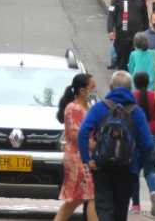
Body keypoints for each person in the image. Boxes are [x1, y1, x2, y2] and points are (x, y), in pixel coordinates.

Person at [78, 71, 154, 221]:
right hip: (127, 169)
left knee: (104, 208)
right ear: (130, 88)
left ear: (111, 87)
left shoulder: (100, 108)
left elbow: (82, 132)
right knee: (120, 210)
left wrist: (87, 160)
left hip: (101, 167)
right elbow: (148, 144)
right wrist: (137, 165)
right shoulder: (136, 112)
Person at [55, 74, 99, 221]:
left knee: (76, 200)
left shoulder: (87, 107)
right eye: (92, 87)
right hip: (77, 159)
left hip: (84, 158)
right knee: (90, 196)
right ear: (82, 90)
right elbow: (76, 135)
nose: (94, 90)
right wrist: (94, 144)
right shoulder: (73, 108)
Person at [130, 71, 155, 216]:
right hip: (152, 135)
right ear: (148, 82)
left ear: (134, 83)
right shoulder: (154, 96)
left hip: (135, 138)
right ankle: (154, 192)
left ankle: (136, 205)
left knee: (134, 172)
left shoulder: (131, 97)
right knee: (151, 170)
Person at [108, 0, 149, 70]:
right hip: (122, 37)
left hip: (137, 38)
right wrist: (110, 30)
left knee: (137, 64)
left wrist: (147, 32)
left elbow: (145, 17)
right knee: (122, 64)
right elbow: (111, 15)